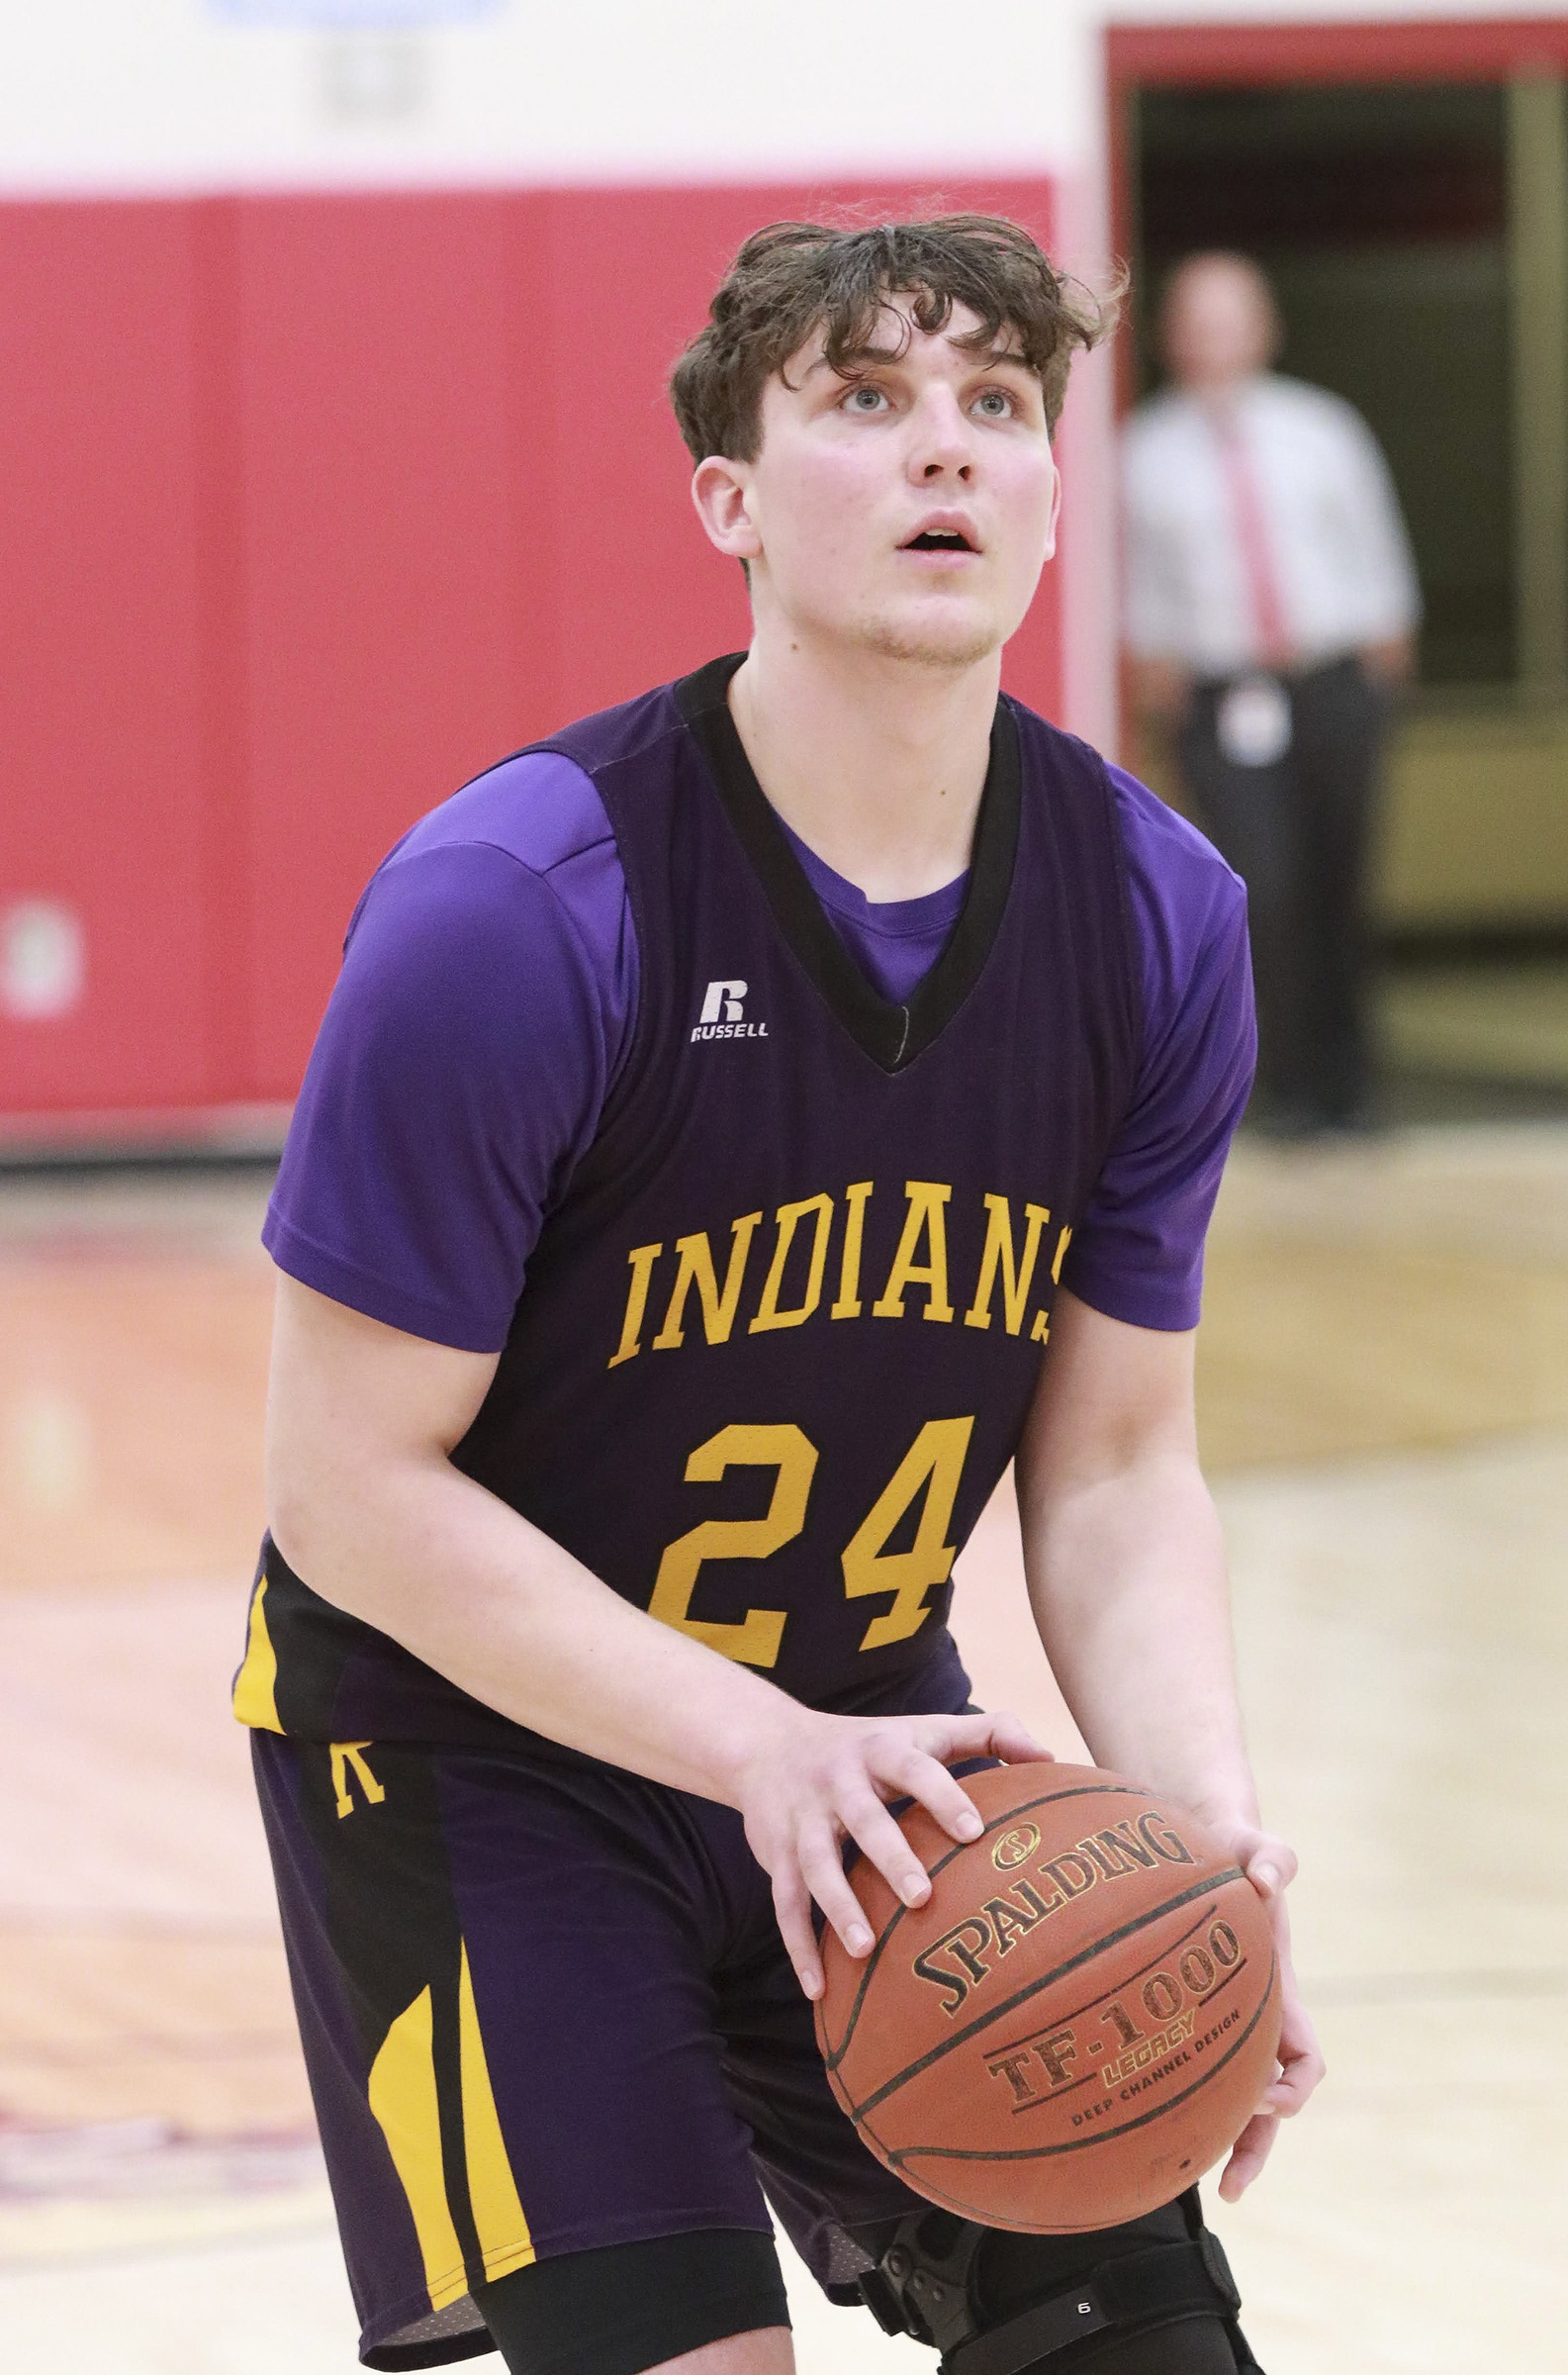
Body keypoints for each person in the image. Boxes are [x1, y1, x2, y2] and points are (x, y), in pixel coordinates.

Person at [234, 216, 1322, 2375]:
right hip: (478, 1756)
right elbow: (345, 1489)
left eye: (996, 404)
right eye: (866, 399)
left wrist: (1205, 1843)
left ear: (1051, 498)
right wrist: (760, 1752)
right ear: (727, 501)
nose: (946, 447)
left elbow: (1114, 1471)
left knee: (1145, 2343)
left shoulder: (1154, 917)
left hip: (871, 1736)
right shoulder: (518, 908)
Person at [1121, 250, 1421, 1135]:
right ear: (1171, 336)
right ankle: (1279, 1087)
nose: (1215, 338)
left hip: (1331, 684)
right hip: (1222, 699)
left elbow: (1375, 553)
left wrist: (1383, 665)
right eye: (1197, 321)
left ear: (1265, 328)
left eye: (1232, 319)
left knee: (1340, 880)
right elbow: (1135, 587)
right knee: (1261, 887)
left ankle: (1350, 1086)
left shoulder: (1322, 429)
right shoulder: (1140, 453)